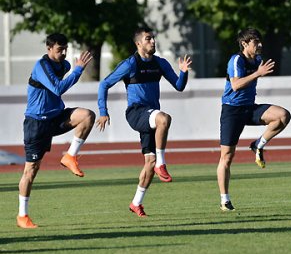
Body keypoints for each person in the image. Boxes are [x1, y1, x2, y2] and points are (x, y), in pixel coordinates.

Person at [96, 27, 191, 217]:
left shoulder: (161, 63)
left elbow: (179, 86)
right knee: (164, 118)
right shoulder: (130, 64)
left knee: (149, 162)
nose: (153, 42)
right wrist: (103, 111)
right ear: (138, 43)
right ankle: (162, 164)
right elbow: (104, 84)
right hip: (136, 112)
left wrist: (184, 73)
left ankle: (136, 203)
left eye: (153, 38)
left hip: (150, 115)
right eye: (148, 39)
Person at [17, 33, 95, 229]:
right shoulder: (41, 66)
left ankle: (70, 156)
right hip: (37, 123)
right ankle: (22, 215)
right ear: (48, 48)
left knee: (87, 115)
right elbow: (58, 88)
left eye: (65, 49)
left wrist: (73, 67)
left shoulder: (64, 65)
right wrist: (77, 70)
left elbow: (66, 70)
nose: (63, 53)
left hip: (56, 117)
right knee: (31, 171)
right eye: (59, 49)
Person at [217, 28, 291, 211]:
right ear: (244, 44)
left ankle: (258, 144)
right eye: (255, 42)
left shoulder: (257, 59)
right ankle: (224, 200)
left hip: (249, 108)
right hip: (232, 111)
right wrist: (258, 73)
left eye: (259, 41)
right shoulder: (236, 60)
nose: (260, 45)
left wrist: (258, 71)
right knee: (227, 157)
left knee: (283, 116)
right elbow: (235, 85)